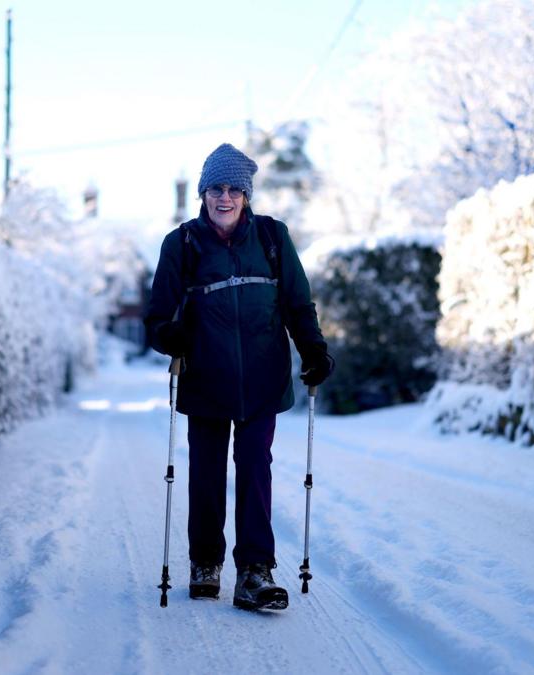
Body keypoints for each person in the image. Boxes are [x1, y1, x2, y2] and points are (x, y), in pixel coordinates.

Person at [145, 143, 334, 610]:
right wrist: (171, 336)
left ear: (247, 195)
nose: (223, 198)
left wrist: (313, 348)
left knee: (255, 470)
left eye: (233, 189)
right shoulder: (182, 243)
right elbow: (156, 318)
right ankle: (205, 562)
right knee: (206, 475)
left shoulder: (272, 238)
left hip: (263, 380)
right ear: (203, 193)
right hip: (206, 379)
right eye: (215, 188)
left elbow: (296, 303)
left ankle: (255, 571)